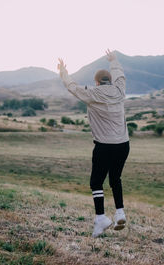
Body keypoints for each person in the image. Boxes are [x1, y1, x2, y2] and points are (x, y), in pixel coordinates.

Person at [57, 49, 130, 238]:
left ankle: (101, 218)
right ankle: (120, 212)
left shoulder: (92, 93)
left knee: (96, 181)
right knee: (115, 179)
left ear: (97, 82)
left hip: (104, 145)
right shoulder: (120, 90)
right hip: (123, 144)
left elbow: (72, 87)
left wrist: (63, 72)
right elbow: (120, 76)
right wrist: (113, 60)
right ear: (110, 80)